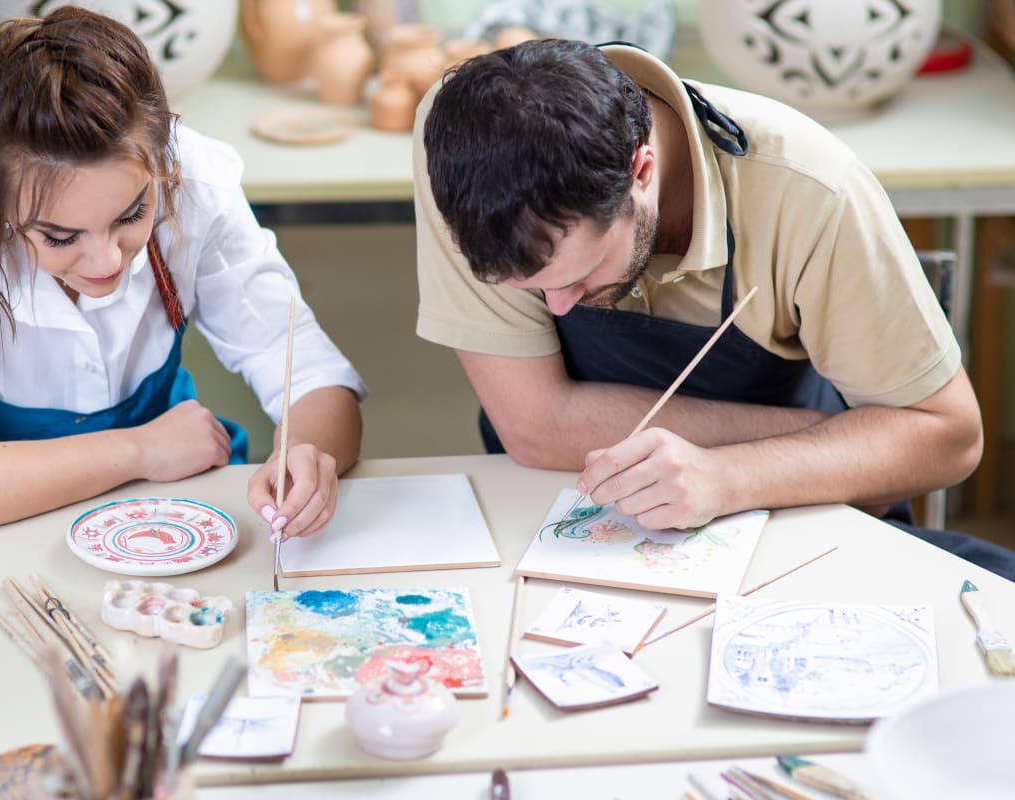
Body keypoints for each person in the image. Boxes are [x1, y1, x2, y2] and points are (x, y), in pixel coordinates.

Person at [415, 38, 1015, 577]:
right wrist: (838, 444)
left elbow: (948, 436)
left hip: (783, 525)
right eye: (531, 290)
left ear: (640, 170)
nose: (560, 307)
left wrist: (732, 474)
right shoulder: (463, 146)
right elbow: (537, 428)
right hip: (553, 528)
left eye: (582, 274)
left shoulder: (808, 190)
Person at [0, 7, 365, 563]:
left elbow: (314, 379)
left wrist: (306, 455)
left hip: (161, 521)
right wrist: (138, 451)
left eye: (131, 214)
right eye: (61, 236)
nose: (106, 260)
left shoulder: (192, 179)